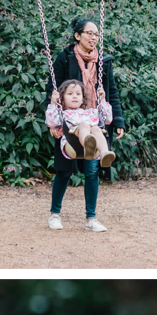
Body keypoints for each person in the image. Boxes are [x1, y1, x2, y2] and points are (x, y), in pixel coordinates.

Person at [45, 71, 113, 233]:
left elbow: (108, 119)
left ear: (83, 98)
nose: (74, 97)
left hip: (90, 143)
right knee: (84, 126)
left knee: (96, 128)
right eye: (70, 94)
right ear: (62, 98)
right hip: (71, 143)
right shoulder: (64, 113)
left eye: (78, 94)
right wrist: (53, 104)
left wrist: (103, 100)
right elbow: (51, 121)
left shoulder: (89, 112)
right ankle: (55, 215)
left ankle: (104, 153)